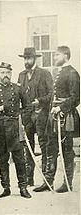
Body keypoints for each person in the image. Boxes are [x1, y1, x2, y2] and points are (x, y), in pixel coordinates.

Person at [0, 62, 32, 199]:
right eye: (2, 73)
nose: (5, 75)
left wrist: (22, 120)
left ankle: (23, 187)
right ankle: (6, 187)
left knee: (19, 158)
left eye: (7, 73)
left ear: (11, 74)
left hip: (15, 127)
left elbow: (28, 106)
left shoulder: (18, 89)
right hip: (0, 128)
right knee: (2, 158)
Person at [18, 47, 54, 191]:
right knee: (27, 146)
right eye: (25, 58)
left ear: (35, 59)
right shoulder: (21, 75)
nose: (27, 61)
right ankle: (29, 178)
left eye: (29, 58)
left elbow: (51, 94)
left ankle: (46, 180)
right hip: (27, 115)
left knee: (44, 145)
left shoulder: (44, 74)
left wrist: (40, 101)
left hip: (41, 115)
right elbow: (18, 95)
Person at [47, 46, 80, 192]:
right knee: (52, 147)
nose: (55, 58)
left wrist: (61, 108)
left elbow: (76, 98)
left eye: (57, 55)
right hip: (55, 115)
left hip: (66, 116)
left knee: (66, 149)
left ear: (66, 55)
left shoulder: (72, 73)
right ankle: (49, 181)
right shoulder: (59, 72)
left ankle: (68, 183)